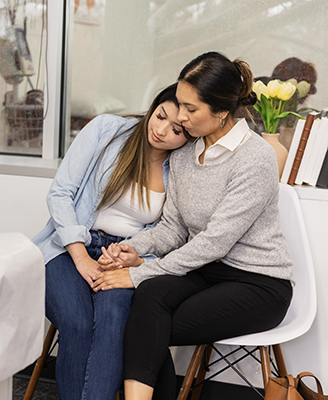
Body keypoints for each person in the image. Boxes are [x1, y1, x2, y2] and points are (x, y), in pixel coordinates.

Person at [95, 52, 294, 400]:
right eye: (180, 105)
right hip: (206, 272)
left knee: (148, 320)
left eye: (191, 109)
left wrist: (135, 274)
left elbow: (215, 242)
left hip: (259, 283)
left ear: (220, 111)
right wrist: (134, 249)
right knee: (151, 299)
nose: (180, 117)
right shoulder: (185, 154)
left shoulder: (255, 157)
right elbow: (173, 229)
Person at [32, 83, 191, 400]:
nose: (161, 131)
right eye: (159, 116)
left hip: (123, 256)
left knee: (113, 320)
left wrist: (135, 259)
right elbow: (60, 193)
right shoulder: (108, 130)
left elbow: (171, 234)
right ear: (153, 107)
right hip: (68, 247)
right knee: (77, 322)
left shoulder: (182, 167)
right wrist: (81, 257)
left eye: (176, 130)